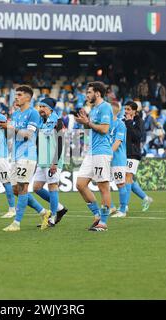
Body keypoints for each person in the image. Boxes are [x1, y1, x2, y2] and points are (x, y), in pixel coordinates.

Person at [0, 85, 51, 232]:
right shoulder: (15, 114)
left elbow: (28, 134)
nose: (16, 97)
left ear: (28, 97)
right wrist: (5, 129)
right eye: (16, 95)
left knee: (23, 188)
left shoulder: (33, 113)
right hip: (15, 155)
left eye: (20, 95)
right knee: (16, 189)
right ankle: (43, 212)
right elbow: (13, 135)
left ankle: (16, 223)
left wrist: (10, 128)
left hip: (27, 156)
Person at [74, 81, 113, 232]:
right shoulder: (94, 109)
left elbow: (104, 129)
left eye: (89, 92)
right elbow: (90, 128)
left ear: (97, 93)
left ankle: (103, 222)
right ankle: (97, 215)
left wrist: (88, 123)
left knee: (103, 188)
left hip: (101, 152)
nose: (87, 95)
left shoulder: (105, 107)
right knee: (80, 184)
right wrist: (84, 122)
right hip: (92, 152)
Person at [33, 97, 68, 227]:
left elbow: (60, 143)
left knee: (52, 186)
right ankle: (59, 208)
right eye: (40, 107)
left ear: (50, 109)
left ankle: (52, 217)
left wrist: (54, 162)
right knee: (36, 187)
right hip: (42, 161)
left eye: (43, 107)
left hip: (52, 161)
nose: (41, 109)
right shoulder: (42, 122)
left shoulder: (58, 122)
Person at [123, 101, 153, 214]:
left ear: (135, 111)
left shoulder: (139, 122)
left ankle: (124, 206)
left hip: (133, 153)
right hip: (123, 153)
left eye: (128, 109)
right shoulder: (123, 120)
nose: (126, 111)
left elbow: (138, 136)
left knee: (127, 177)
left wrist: (130, 122)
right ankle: (146, 198)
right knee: (127, 179)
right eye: (125, 109)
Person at [109, 102, 130, 218]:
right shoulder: (105, 124)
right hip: (106, 159)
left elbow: (117, 142)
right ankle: (111, 206)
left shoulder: (120, 124)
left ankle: (122, 210)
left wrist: (109, 154)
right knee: (104, 183)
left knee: (120, 183)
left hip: (117, 159)